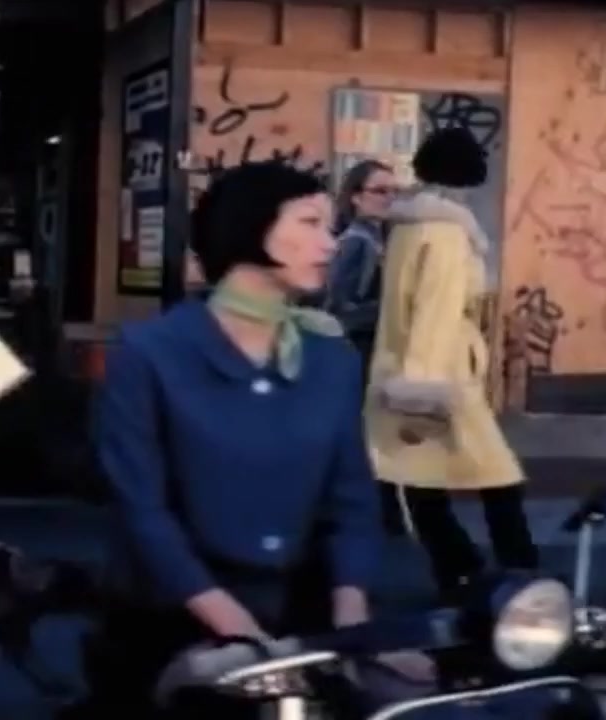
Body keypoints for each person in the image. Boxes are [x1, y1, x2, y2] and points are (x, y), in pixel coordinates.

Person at [84, 160, 431, 718]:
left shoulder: (331, 361)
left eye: (329, 226)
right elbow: (142, 511)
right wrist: (240, 633)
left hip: (303, 613)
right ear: (249, 228)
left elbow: (352, 502)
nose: (330, 242)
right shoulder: (149, 354)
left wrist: (352, 622)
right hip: (173, 619)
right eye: (310, 223)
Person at [365, 126, 538, 603]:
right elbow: (436, 311)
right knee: (496, 475)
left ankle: (459, 567)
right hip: (441, 372)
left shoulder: (406, 226)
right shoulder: (446, 233)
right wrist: (421, 390)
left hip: (399, 364)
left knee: (421, 479)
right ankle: (515, 567)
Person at [325, 159, 397, 369]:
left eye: (395, 191)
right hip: (357, 354)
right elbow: (341, 309)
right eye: (380, 191)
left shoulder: (378, 239)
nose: (391, 198)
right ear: (356, 197)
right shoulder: (357, 242)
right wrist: (394, 309)